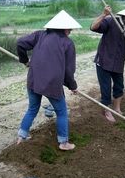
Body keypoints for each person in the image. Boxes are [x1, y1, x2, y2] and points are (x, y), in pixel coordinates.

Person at [16, 10, 81, 151]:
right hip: (51, 84)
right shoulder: (68, 43)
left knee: (32, 109)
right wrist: (73, 86)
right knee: (62, 112)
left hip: (34, 81)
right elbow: (68, 71)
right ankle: (63, 143)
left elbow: (20, 43)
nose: (70, 31)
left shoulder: (40, 35)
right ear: (64, 28)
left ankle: (21, 137)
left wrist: (24, 60)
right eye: (69, 28)